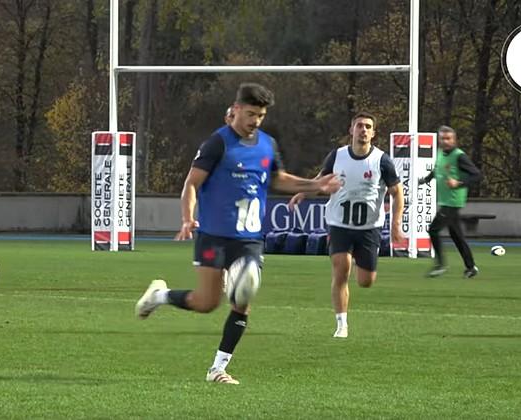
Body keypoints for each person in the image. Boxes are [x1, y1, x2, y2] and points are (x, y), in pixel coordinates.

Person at [134, 83, 340, 385]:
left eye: (261, 115)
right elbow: (192, 183)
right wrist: (187, 218)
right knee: (206, 303)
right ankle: (159, 296)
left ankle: (217, 368)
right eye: (251, 113)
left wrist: (315, 185)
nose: (255, 120)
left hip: (249, 239)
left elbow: (277, 179)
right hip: (213, 236)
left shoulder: (267, 144)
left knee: (244, 296)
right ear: (237, 109)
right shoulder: (217, 143)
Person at [288, 112, 404, 339]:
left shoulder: (382, 160)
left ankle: (361, 270)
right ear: (351, 130)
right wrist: (303, 193)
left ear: (373, 133)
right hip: (339, 223)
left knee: (366, 281)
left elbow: (397, 192)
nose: (363, 130)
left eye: (368, 126)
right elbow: (320, 179)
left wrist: (396, 224)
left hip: (369, 228)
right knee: (341, 268)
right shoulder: (337, 156)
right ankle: (342, 324)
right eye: (359, 125)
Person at [418, 125, 482, 278]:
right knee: (457, 236)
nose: (445, 142)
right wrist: (426, 179)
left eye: (448, 139)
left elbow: (477, 175)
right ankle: (471, 267)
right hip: (445, 201)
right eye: (442, 138)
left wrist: (458, 183)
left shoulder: (459, 156)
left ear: (454, 140)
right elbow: (438, 170)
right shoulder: (440, 153)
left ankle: (440, 265)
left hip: (453, 202)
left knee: (433, 229)